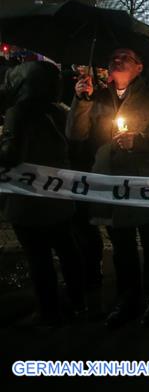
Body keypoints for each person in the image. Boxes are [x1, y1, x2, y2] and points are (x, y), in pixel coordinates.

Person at [66, 48, 149, 328]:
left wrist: (140, 141)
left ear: (139, 67)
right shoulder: (97, 98)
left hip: (144, 182)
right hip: (110, 182)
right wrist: (80, 100)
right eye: (113, 57)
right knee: (121, 246)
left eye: (125, 57)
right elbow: (75, 134)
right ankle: (128, 299)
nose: (116, 60)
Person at [1, 61, 85, 326]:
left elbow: (10, 156)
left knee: (38, 257)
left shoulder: (19, 112)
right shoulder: (59, 111)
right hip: (59, 193)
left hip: (29, 199)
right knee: (67, 249)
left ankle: (48, 310)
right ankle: (77, 300)